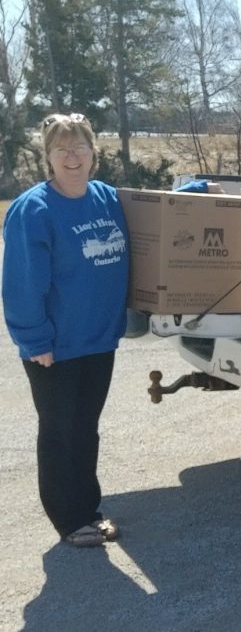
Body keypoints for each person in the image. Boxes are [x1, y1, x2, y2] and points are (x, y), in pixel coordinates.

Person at [3, 113, 129, 546]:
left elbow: (158, 215)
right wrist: (34, 339)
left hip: (99, 338)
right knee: (60, 431)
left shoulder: (108, 198)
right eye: (62, 149)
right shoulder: (33, 210)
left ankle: (87, 509)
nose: (72, 157)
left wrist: (197, 194)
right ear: (49, 157)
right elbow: (21, 282)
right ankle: (69, 519)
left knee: (86, 427)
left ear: (94, 151)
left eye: (80, 147)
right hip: (54, 346)